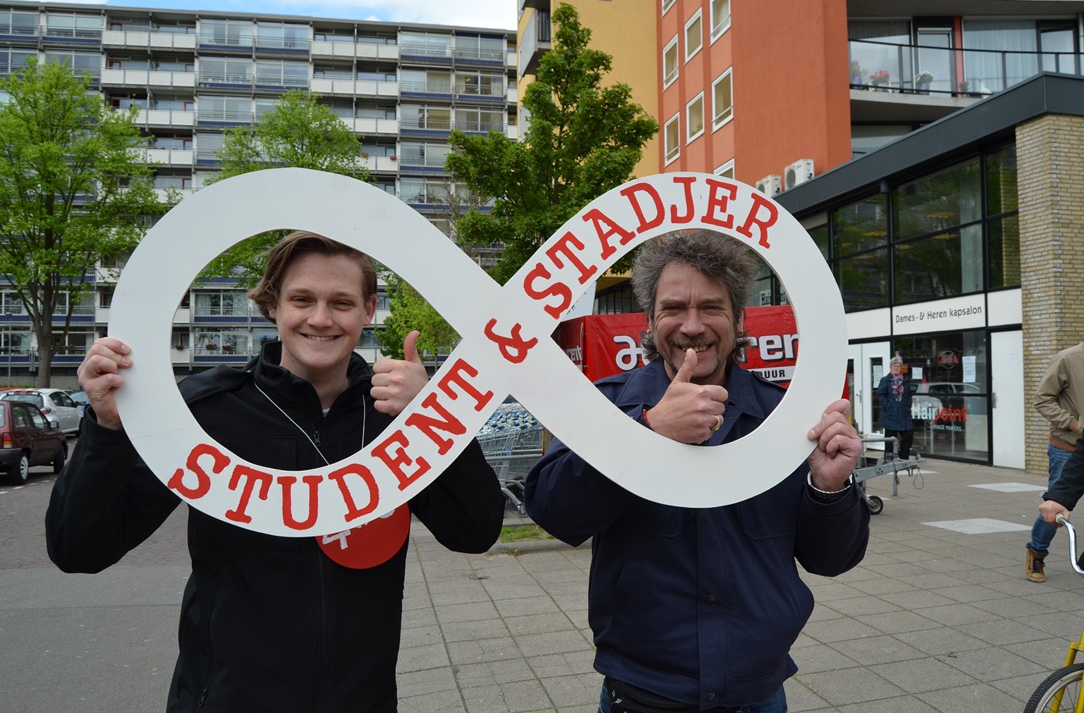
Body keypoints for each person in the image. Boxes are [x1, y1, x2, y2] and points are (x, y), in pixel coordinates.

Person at [46, 231, 506, 712]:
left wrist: (436, 419)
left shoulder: (399, 415)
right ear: (272, 306)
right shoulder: (208, 410)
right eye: (301, 299)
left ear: (369, 310)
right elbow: (80, 548)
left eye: (342, 302)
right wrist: (107, 431)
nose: (321, 319)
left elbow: (475, 532)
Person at [524, 230, 870, 713]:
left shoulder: (788, 418)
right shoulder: (604, 405)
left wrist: (830, 489)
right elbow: (554, 512)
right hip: (643, 697)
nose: (692, 326)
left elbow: (830, 560)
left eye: (711, 307)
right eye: (673, 309)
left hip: (758, 695)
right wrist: (647, 432)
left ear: (738, 319)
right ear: (649, 321)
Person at [1026, 343, 1084, 582]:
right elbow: (1042, 400)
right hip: (1068, 447)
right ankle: (1037, 553)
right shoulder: (1068, 359)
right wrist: (1074, 424)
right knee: (1056, 506)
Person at [876, 355, 914, 460]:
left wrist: (908, 406)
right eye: (894, 366)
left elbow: (908, 395)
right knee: (890, 438)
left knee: (908, 435)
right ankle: (889, 459)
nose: (896, 368)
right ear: (890, 367)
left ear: (901, 367)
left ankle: (904, 457)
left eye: (898, 366)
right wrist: (888, 406)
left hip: (904, 413)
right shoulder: (885, 380)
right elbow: (880, 395)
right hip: (890, 414)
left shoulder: (905, 380)